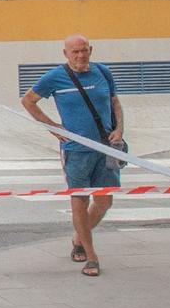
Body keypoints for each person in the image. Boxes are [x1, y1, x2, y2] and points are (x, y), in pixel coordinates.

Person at [21, 34, 124, 277]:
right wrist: (54, 128)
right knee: (79, 200)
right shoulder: (55, 77)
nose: (80, 55)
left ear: (91, 49)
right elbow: (28, 101)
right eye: (74, 52)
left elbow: (115, 103)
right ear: (65, 54)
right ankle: (91, 255)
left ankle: (79, 237)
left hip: (105, 148)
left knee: (105, 201)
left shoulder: (103, 72)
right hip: (76, 151)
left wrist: (119, 129)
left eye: (84, 50)